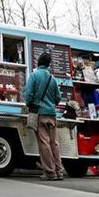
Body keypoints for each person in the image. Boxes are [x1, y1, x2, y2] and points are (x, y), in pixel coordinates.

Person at [24, 52, 64, 181]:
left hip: (40, 113)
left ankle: (50, 172)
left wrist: (30, 104)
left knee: (44, 143)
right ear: (48, 64)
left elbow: (28, 94)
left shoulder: (34, 75)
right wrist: (51, 104)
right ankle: (59, 171)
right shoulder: (52, 79)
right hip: (52, 114)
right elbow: (58, 98)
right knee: (54, 143)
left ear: (38, 62)